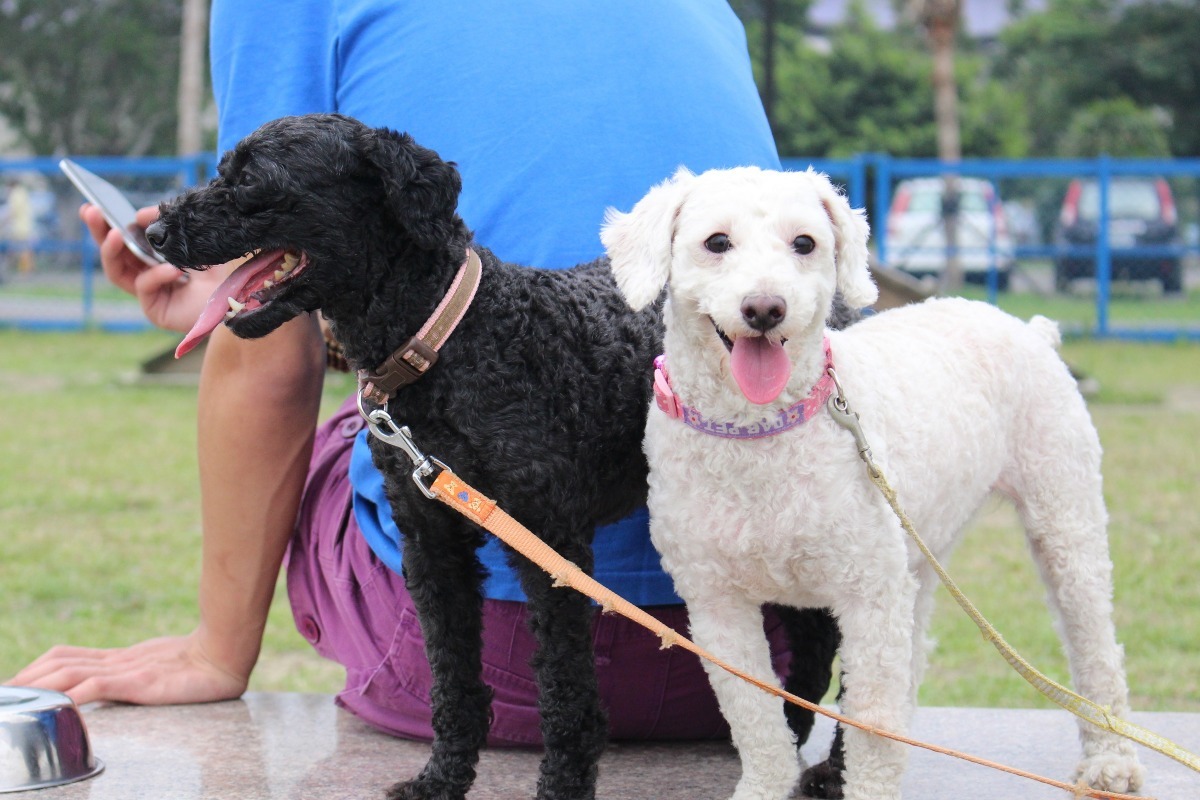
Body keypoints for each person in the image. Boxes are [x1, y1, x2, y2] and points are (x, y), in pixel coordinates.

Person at [13, 0, 834, 744]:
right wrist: (252, 291)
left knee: (374, 417)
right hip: (768, 653)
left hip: (514, 667)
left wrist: (214, 653)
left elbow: (271, 367)